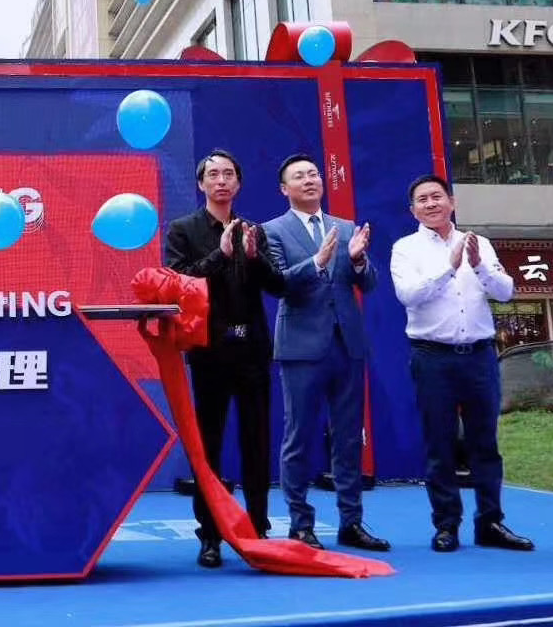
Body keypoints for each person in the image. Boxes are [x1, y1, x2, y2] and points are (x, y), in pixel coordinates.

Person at [390, 174, 533, 553]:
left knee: (485, 442)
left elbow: (506, 291)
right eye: (423, 199)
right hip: (432, 356)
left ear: (451, 202)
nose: (431, 204)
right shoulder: (405, 249)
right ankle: (446, 525)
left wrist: (478, 265)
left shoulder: (478, 243)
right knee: (440, 444)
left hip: (479, 355)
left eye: (437, 196)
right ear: (413, 210)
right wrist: (449, 267)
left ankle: (491, 522)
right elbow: (408, 295)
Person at [162, 149, 285, 568]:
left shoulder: (254, 231)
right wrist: (221, 254)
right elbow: (178, 282)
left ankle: (259, 529)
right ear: (201, 184)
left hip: (252, 350)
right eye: (213, 174)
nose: (221, 181)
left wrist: (252, 257)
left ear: (239, 183)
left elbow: (278, 285)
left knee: (257, 440)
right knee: (208, 446)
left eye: (228, 174)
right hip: (209, 351)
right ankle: (210, 535)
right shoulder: (183, 229)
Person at [262, 154, 387, 552]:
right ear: (284, 189)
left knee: (348, 437)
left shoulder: (346, 228)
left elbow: (368, 284)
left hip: (346, 344)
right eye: (299, 176)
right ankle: (300, 523)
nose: (309, 180)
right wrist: (316, 262)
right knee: (299, 435)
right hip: (301, 347)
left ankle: (352, 521)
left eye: (314, 174)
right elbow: (279, 283)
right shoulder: (272, 231)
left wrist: (358, 259)